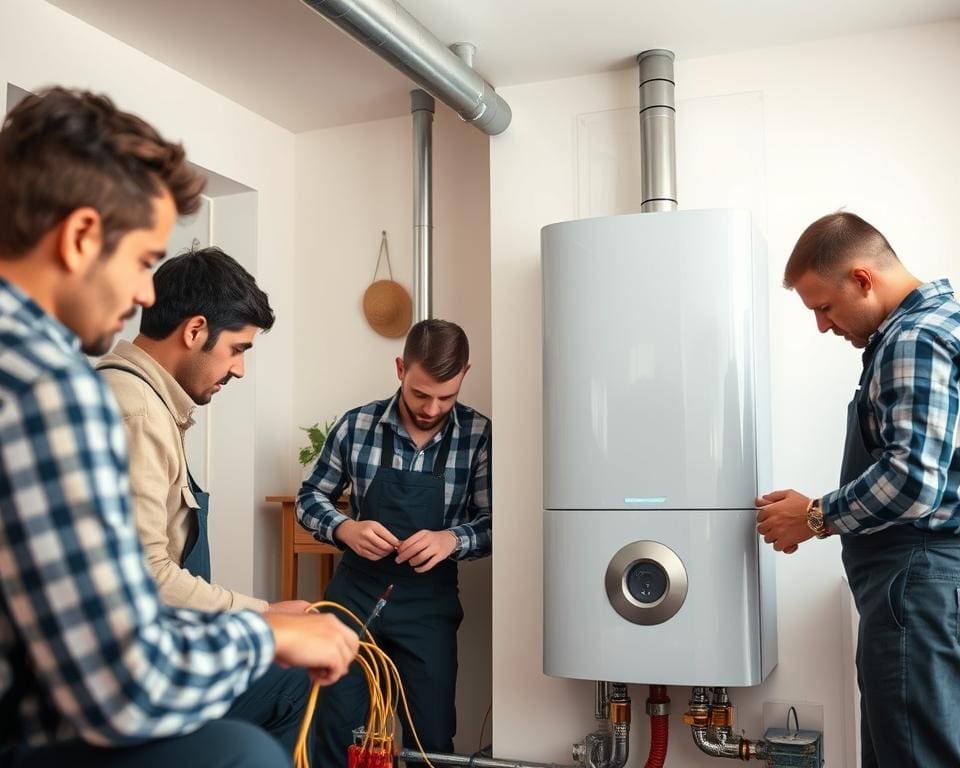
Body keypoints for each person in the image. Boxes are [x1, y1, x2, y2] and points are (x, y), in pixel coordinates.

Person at [0, 87, 358, 767]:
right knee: (248, 750)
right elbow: (120, 681)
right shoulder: (57, 387)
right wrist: (269, 632)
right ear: (80, 237)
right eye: (141, 262)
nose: (144, 295)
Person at [755, 212, 960, 767]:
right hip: (926, 587)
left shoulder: (914, 338)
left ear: (863, 279)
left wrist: (815, 515)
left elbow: (914, 481)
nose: (823, 325)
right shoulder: (944, 324)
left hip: (915, 584)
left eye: (824, 306)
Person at [97, 245, 317, 755]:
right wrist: (263, 616)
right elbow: (144, 576)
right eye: (237, 349)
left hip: (147, 653)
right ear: (195, 331)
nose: (239, 370)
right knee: (295, 675)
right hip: (128, 676)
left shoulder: (145, 401)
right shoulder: (138, 413)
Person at [297, 319, 491, 767]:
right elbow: (310, 497)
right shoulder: (356, 425)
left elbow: (496, 523)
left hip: (429, 602)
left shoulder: (479, 436)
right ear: (401, 368)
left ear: (465, 373)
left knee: (432, 737)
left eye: (446, 396)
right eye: (421, 393)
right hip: (355, 595)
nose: (430, 407)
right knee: (336, 725)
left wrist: (451, 539)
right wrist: (344, 528)